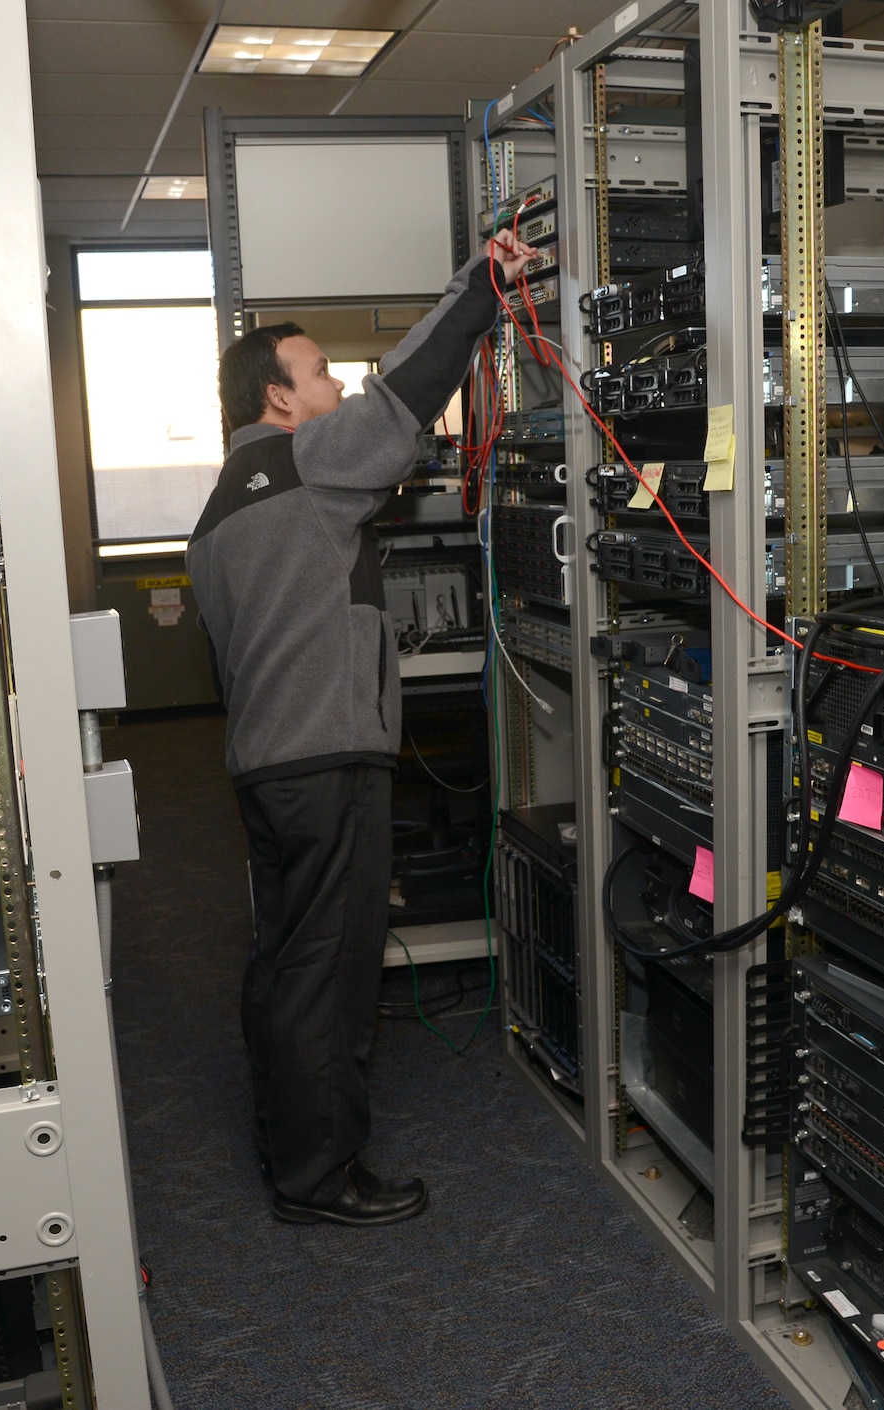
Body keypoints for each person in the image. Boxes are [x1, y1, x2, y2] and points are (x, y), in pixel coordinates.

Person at [186, 230, 537, 1226]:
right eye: (317, 374)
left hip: (264, 766)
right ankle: (321, 1177)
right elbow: (403, 394)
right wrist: (480, 285)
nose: (334, 385)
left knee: (283, 961)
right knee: (330, 975)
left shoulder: (214, 516)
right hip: (324, 759)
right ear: (277, 399)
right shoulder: (298, 463)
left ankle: (285, 1144)